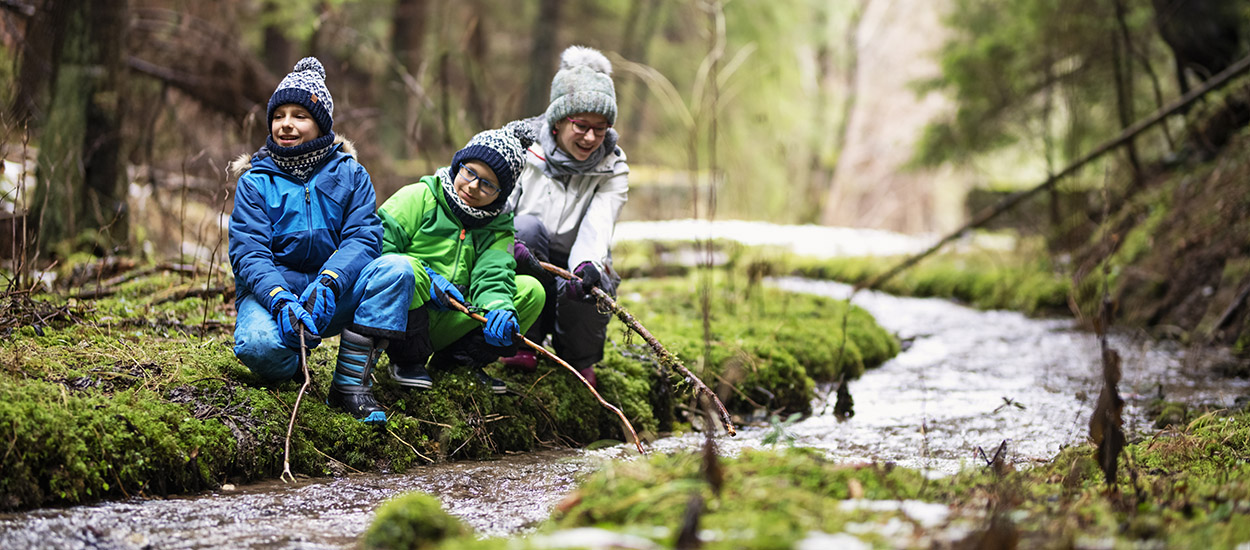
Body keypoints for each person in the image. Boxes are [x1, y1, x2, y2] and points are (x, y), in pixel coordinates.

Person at [230, 57, 409, 425]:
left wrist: (330, 280)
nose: (286, 125)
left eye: (299, 115)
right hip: (275, 297)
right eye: (279, 115)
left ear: (321, 123)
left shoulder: (352, 174)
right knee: (258, 347)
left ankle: (350, 385)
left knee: (397, 271)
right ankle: (293, 361)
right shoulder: (255, 181)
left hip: (334, 292)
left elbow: (364, 238)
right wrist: (278, 299)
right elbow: (249, 252)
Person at [377, 122, 546, 395]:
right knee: (405, 269)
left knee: (531, 291)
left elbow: (494, 275)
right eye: (470, 172)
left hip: (455, 315)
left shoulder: (497, 226)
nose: (473, 186)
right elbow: (376, 247)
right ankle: (406, 361)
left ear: (501, 194)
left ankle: (457, 365)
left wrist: (498, 308)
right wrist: (427, 279)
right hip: (404, 314)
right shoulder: (419, 197)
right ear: (459, 164)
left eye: (488, 184)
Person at [504, 45, 629, 388]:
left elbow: (598, 225)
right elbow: (500, 213)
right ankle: (521, 340)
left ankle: (578, 359)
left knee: (593, 279)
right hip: (526, 254)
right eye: (582, 125)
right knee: (524, 230)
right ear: (558, 121)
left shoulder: (613, 168)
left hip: (574, 262)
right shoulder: (521, 149)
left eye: (601, 128)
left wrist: (585, 265)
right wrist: (504, 244)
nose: (591, 137)